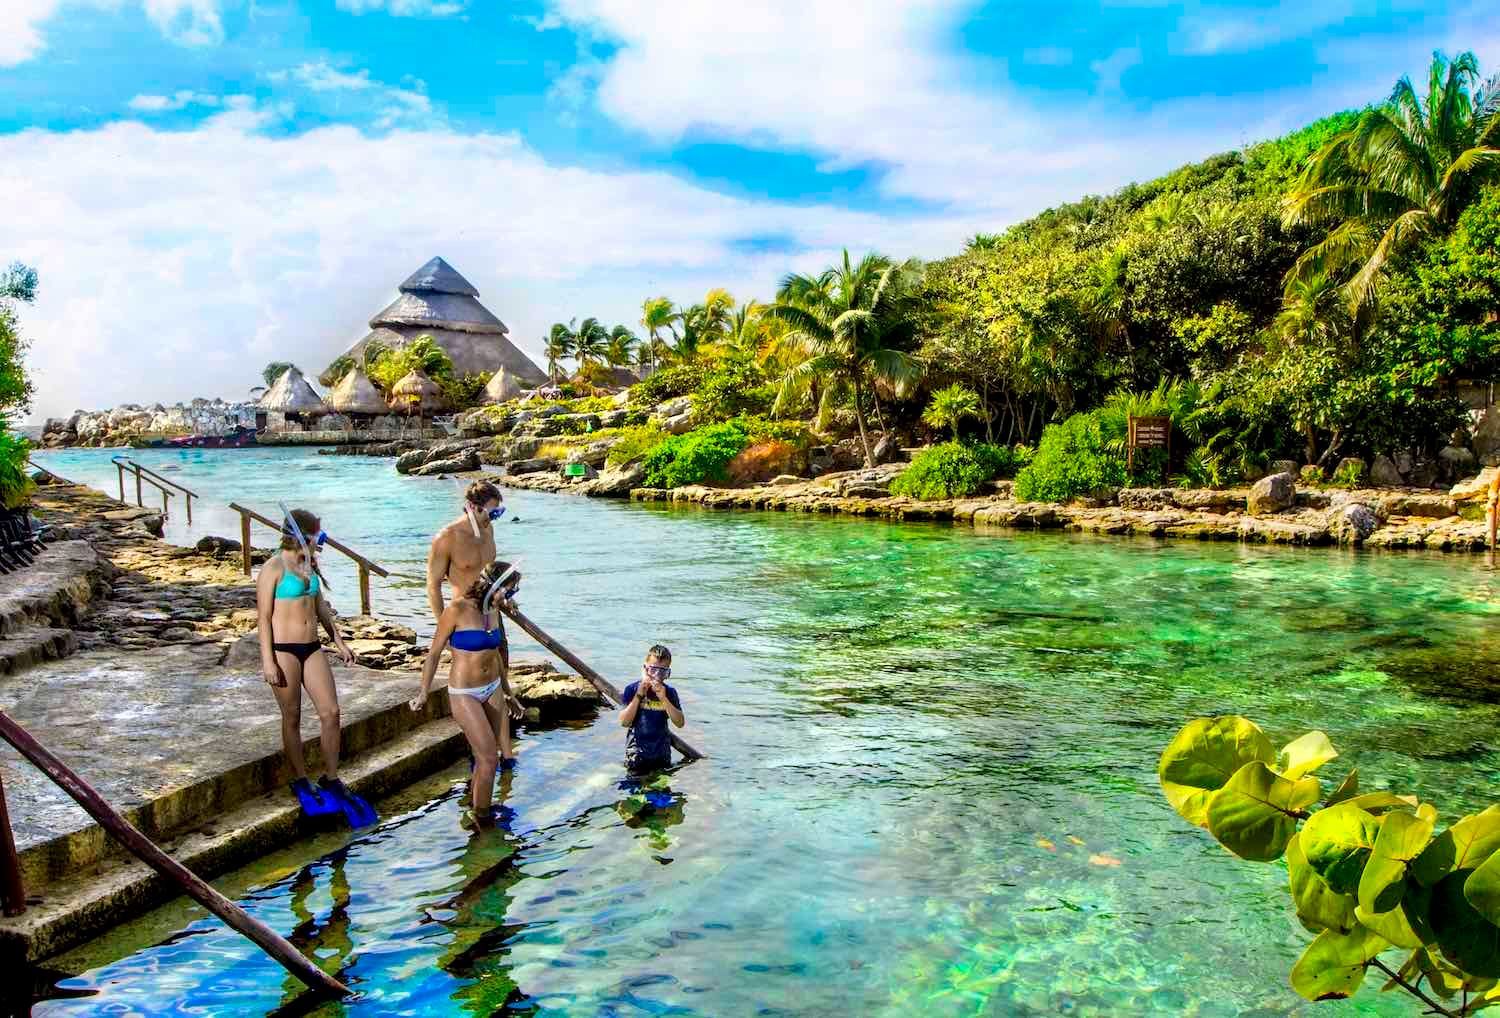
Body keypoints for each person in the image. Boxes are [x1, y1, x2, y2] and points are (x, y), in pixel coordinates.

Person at [256, 508, 375, 827]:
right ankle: (300, 778)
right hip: (284, 651)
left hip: (311, 648)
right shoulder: (273, 568)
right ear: (302, 534)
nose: (322, 540)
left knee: (331, 712)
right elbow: (263, 618)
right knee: (292, 716)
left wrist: (339, 641)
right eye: (318, 534)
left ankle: (331, 777)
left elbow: (320, 608)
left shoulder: (309, 563)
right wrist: (268, 660)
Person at [410, 559, 526, 829]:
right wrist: (423, 692)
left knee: (487, 757)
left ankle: (476, 806)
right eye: (509, 590)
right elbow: (434, 654)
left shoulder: (493, 610)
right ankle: (482, 819)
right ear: (494, 586)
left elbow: (494, 655)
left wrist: (509, 693)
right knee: (488, 758)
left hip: (493, 688)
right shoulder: (457, 609)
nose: (511, 596)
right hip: (465, 692)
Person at [426, 480, 506, 619]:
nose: (493, 519)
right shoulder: (447, 537)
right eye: (492, 513)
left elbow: (490, 576)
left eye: (498, 513)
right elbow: (433, 585)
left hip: (492, 617)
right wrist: (443, 625)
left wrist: (505, 597)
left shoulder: (488, 529)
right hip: (464, 619)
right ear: (473, 507)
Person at [618, 645, 686, 773]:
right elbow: (624, 722)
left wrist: (663, 698)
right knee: (634, 785)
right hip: (636, 756)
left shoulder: (669, 692)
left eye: (662, 672)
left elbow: (680, 723)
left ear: (668, 673)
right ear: (645, 669)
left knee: (661, 784)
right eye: (653, 670)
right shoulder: (632, 689)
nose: (656, 676)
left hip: (662, 756)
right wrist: (639, 695)